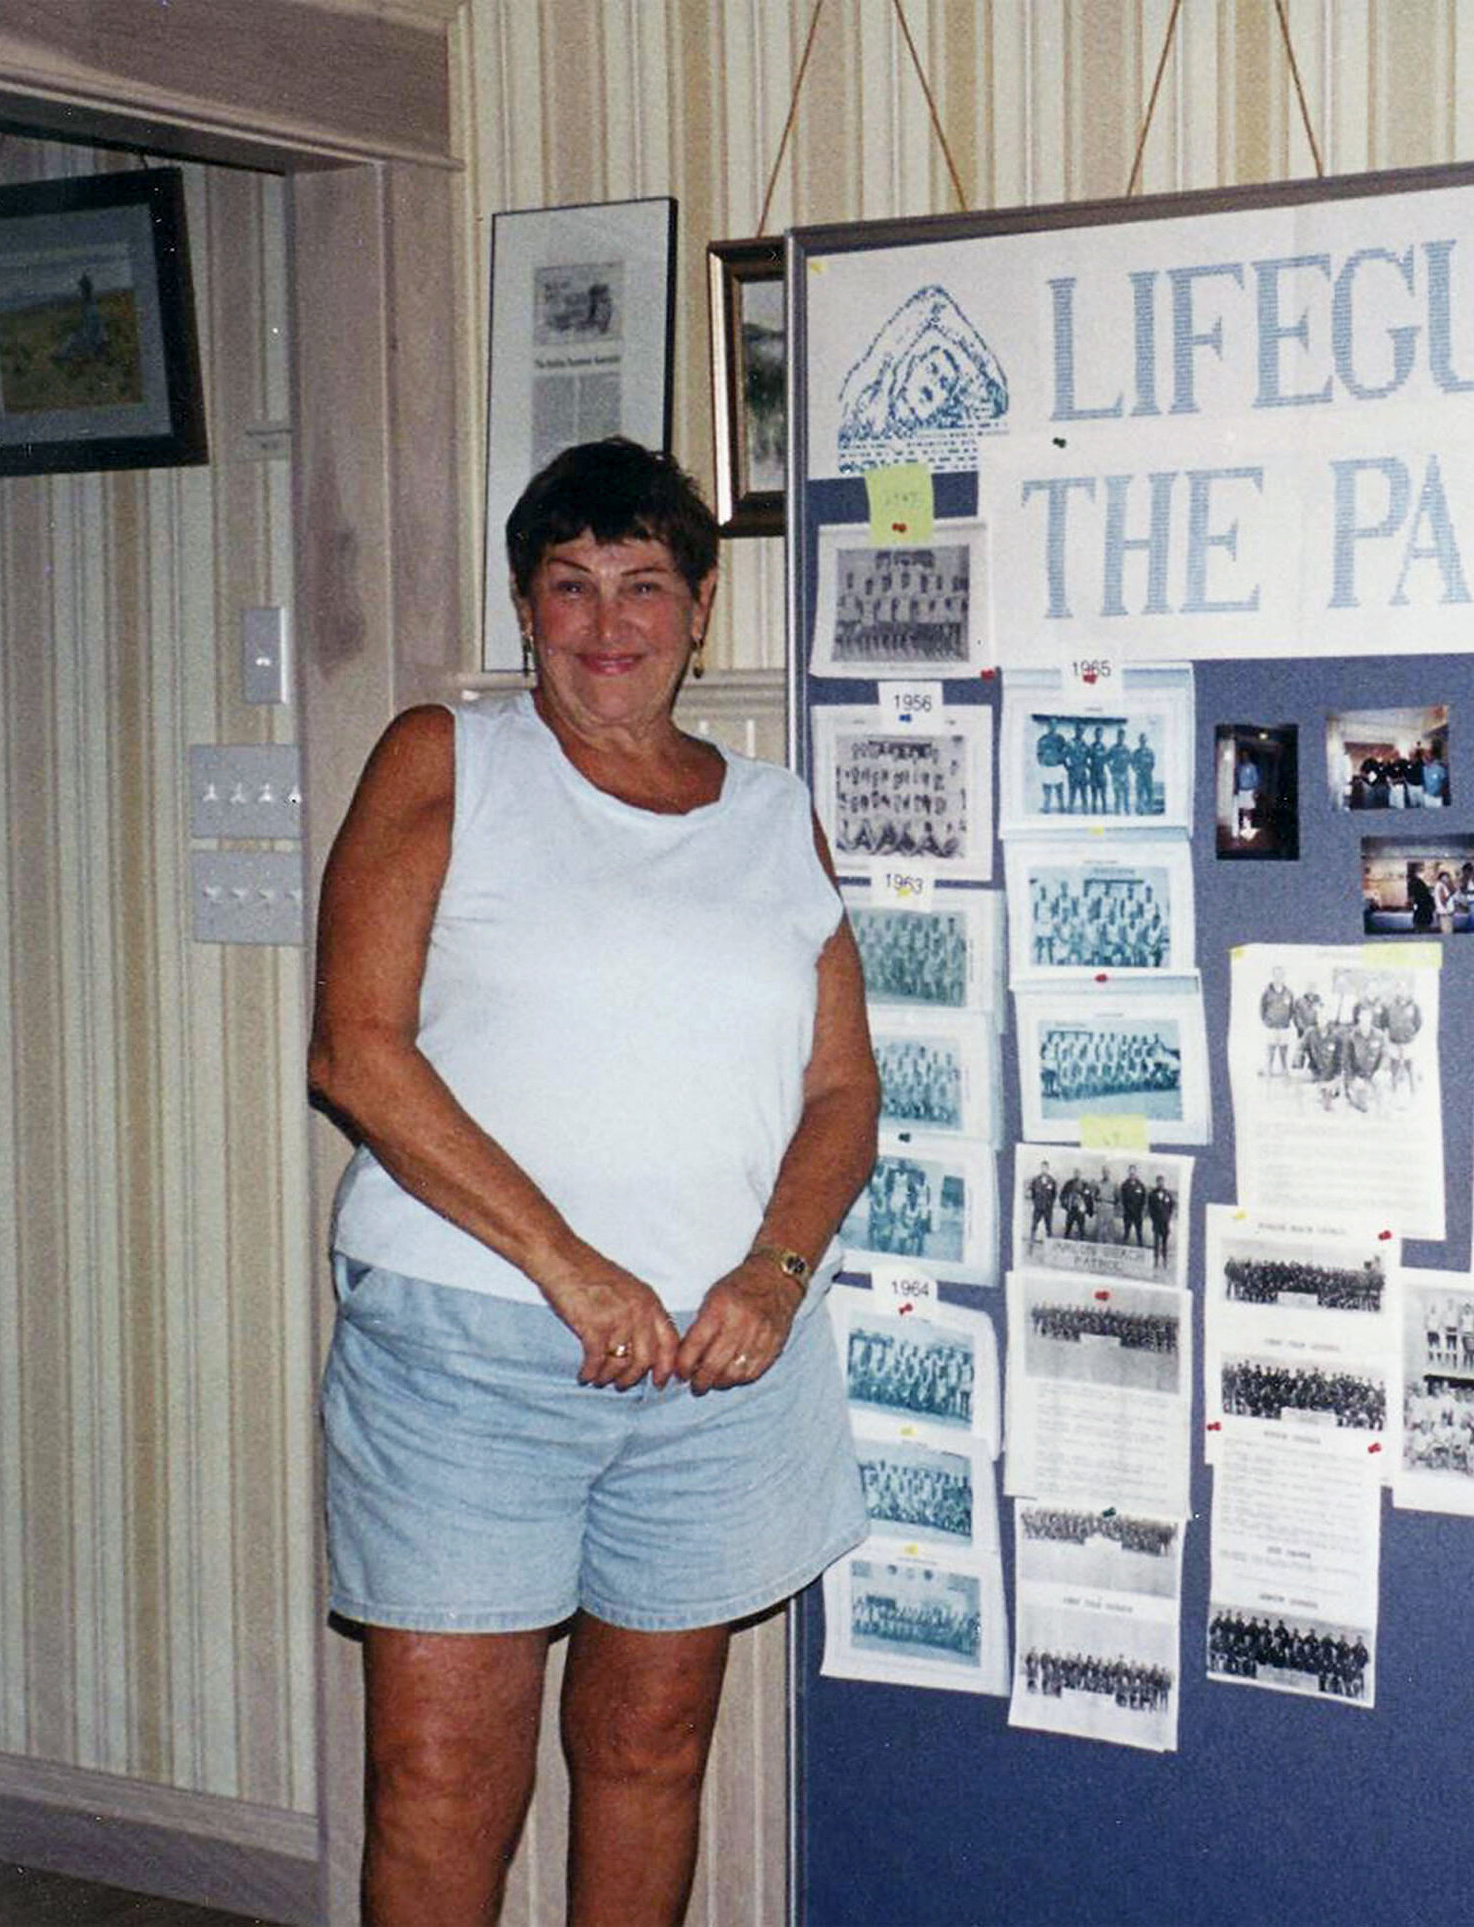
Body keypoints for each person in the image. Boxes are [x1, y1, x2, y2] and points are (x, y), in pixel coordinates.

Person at [309, 439, 879, 1926]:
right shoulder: (449, 756)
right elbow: (357, 1052)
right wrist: (569, 1264)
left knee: (648, 1746)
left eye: (642, 584)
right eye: (569, 585)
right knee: (441, 1776)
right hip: (468, 1352)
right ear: (523, 607)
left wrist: (774, 1271)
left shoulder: (773, 812)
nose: (606, 621)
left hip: (714, 1370)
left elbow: (841, 1088)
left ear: (702, 604)